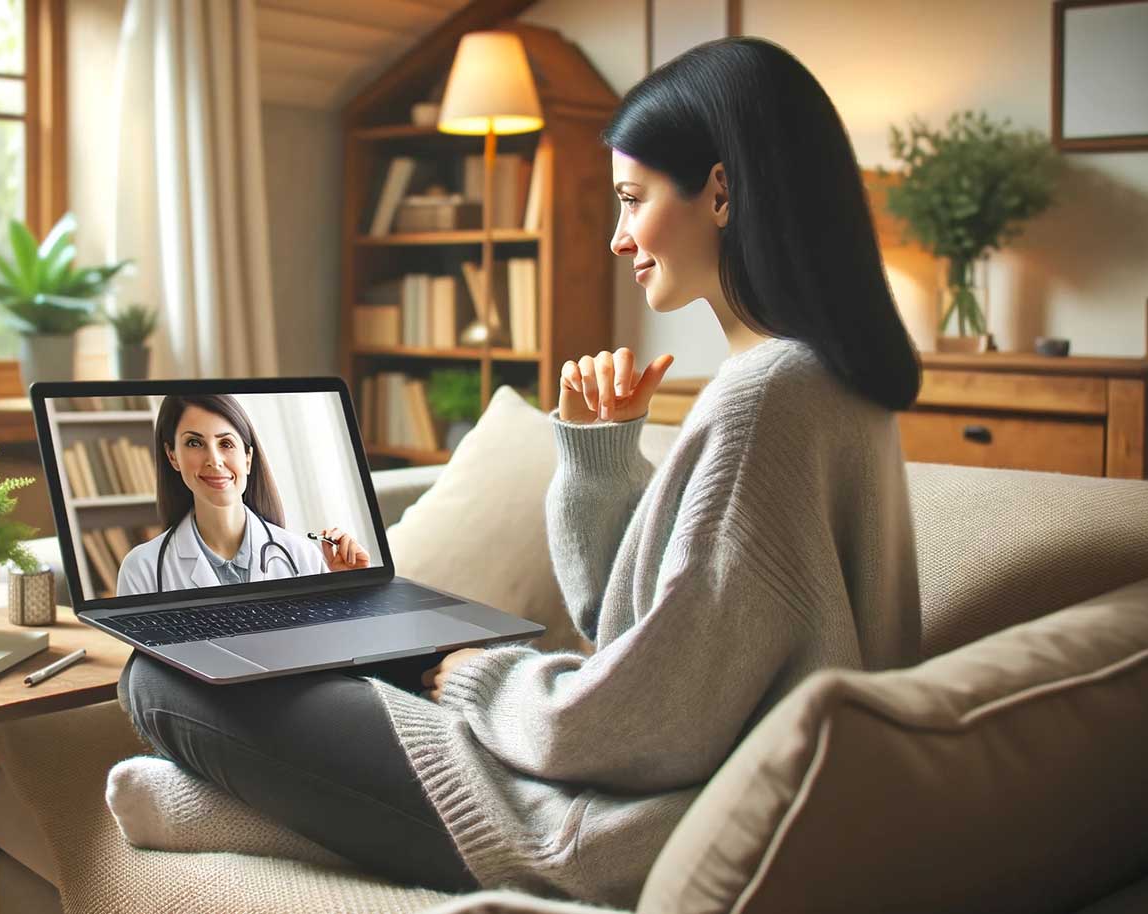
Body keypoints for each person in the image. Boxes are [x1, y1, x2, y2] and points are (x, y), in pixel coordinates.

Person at [110, 37, 921, 909]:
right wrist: (600, 456)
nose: (616, 238)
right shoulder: (836, 384)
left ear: (721, 191)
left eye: (632, 200)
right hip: (630, 787)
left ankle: (252, 805)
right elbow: (647, 636)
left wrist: (471, 674)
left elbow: (649, 723)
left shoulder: (768, 400)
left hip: (594, 827)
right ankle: (277, 790)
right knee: (340, 642)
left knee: (161, 673)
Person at [115, 394, 371, 596]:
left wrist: (350, 591)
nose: (214, 461)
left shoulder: (302, 557)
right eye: (194, 443)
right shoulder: (143, 569)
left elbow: (330, 651)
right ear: (173, 456)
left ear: (247, 458)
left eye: (226, 444)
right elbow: (141, 662)